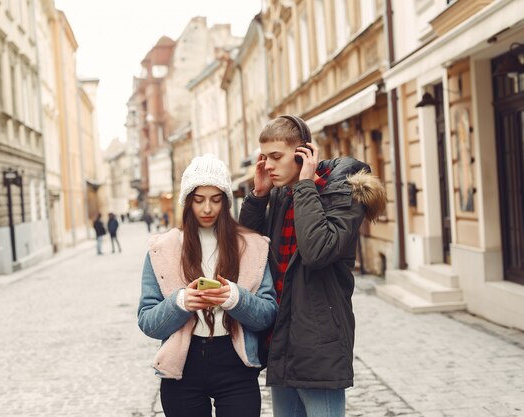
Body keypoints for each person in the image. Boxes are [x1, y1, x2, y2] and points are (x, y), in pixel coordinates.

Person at [238, 115, 387, 417]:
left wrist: (305, 184)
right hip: (281, 340)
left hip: (320, 344)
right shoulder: (281, 193)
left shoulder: (343, 193)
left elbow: (317, 251)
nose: (268, 165)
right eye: (264, 157)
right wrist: (258, 196)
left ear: (303, 154)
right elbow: (247, 250)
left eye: (276, 157)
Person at [138, 154, 278, 417]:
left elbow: (267, 315)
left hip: (236, 364)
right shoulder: (162, 248)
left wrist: (235, 298)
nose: (207, 209)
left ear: (225, 201)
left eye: (215, 199)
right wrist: (181, 303)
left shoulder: (252, 246)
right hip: (183, 366)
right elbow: (148, 322)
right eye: (199, 200)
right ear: (187, 201)